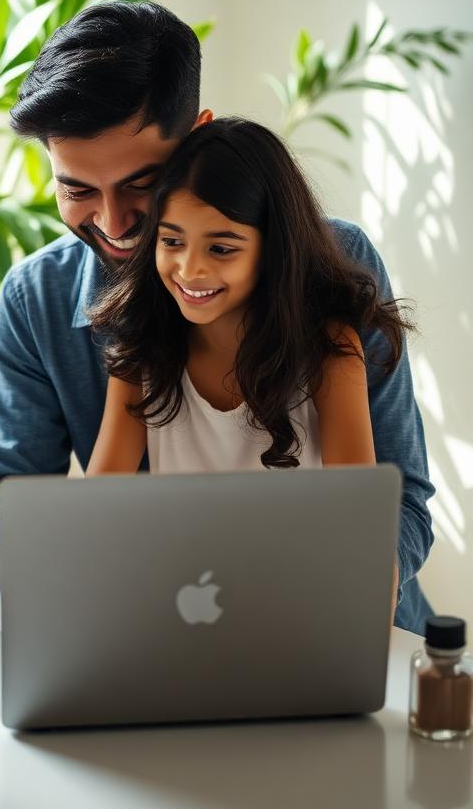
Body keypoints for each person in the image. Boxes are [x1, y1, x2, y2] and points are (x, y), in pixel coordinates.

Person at [0, 0, 434, 631]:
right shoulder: (36, 299)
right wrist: (80, 556)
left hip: (340, 631)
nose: (114, 222)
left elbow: (396, 501)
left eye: (139, 183)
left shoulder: (335, 266)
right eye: (76, 189)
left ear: (199, 137)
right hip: (149, 634)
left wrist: (341, 585)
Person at [85, 117, 411, 609]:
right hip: (181, 614)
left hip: (300, 617)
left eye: (221, 248)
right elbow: (92, 517)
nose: (190, 269)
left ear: (272, 249)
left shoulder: (329, 351)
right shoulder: (142, 356)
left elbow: (360, 538)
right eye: (171, 241)